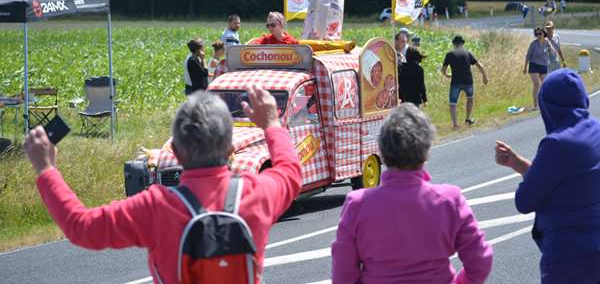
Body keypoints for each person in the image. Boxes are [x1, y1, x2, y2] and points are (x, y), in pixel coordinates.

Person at [24, 86, 302, 284]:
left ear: (177, 154)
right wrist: (271, 124)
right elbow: (290, 172)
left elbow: (80, 226)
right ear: (230, 149)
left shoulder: (156, 206)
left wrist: (46, 169)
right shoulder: (257, 193)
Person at [332, 103, 493, 283]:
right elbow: (480, 260)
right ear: (426, 151)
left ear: (383, 153)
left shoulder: (357, 205)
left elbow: (343, 274)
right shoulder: (449, 200)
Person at [495, 69, 600, 283]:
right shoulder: (596, 130)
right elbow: (567, 179)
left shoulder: (557, 143)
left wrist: (522, 169)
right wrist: (516, 163)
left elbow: (524, 201)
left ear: (548, 107)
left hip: (569, 256)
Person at [442, 35, 488, 129]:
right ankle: (468, 118)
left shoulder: (449, 54)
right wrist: (484, 77)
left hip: (455, 82)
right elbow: (480, 66)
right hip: (468, 81)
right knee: (470, 98)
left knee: (453, 103)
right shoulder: (468, 53)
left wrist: (447, 75)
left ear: (454, 44)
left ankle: (455, 124)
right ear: (462, 43)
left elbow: (443, 69)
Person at [523, 28, 557, 110]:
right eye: (537, 34)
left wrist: (550, 47)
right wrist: (525, 67)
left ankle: (547, 102)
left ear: (544, 34)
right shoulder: (534, 44)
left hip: (544, 66)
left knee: (545, 85)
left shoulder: (547, 42)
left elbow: (554, 53)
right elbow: (528, 56)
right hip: (534, 65)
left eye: (540, 34)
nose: (538, 35)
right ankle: (536, 105)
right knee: (536, 84)